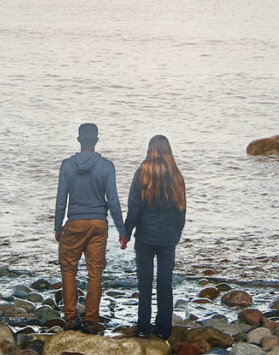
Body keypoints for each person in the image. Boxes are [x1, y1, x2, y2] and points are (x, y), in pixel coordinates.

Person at [53, 121, 124, 330]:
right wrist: (122, 230)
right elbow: (113, 201)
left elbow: (61, 200)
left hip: (74, 222)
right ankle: (92, 319)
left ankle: (71, 317)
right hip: (98, 224)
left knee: (68, 270)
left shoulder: (67, 165)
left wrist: (58, 226)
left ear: (78, 140)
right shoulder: (107, 166)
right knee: (95, 273)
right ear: (96, 140)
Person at [121, 132, 186, 339]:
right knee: (165, 283)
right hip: (168, 239)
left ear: (150, 151)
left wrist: (127, 233)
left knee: (145, 283)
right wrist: (177, 233)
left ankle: (143, 328)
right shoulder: (176, 174)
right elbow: (181, 210)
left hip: (146, 238)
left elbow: (134, 207)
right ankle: (164, 328)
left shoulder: (142, 173)